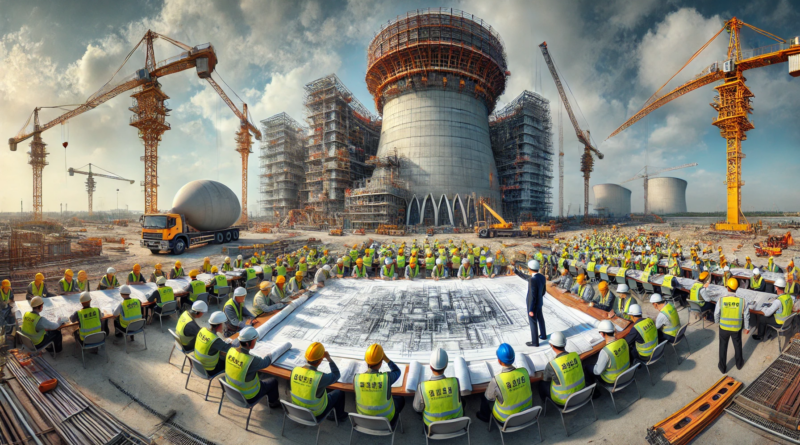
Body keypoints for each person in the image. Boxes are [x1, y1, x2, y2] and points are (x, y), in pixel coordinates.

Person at [290, 342, 348, 423]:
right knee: (339, 392)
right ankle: (339, 416)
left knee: (321, 389)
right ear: (321, 360)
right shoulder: (320, 378)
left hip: (296, 409)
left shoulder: (295, 371)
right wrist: (329, 358)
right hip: (315, 413)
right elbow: (336, 374)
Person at [224, 327, 281, 408]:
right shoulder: (251, 360)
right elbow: (266, 362)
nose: (256, 342)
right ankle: (273, 403)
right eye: (255, 340)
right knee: (273, 381)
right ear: (247, 344)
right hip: (249, 396)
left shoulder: (231, 350)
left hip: (231, 390)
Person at [476, 343, 532, 424]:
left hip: (506, 419)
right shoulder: (524, 372)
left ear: (499, 360)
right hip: (527, 412)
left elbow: (489, 397)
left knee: (484, 397)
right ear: (513, 358)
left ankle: (485, 416)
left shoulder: (497, 380)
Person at [413, 348, 463, 431]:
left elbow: (417, 408)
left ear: (430, 367)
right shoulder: (455, 382)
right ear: (446, 365)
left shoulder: (422, 386)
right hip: (456, 423)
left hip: (432, 427)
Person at [354, 344, 404, 427]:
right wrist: (387, 359)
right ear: (381, 363)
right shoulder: (386, 378)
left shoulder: (357, 378)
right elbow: (397, 371)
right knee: (400, 399)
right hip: (386, 421)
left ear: (366, 361)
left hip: (363, 419)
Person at [539, 331, 585, 407]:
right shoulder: (575, 356)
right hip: (582, 392)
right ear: (565, 343)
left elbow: (546, 379)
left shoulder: (552, 364)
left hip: (563, 400)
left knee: (542, 384)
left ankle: (545, 405)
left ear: (551, 345)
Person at [715, 278, 750, 373]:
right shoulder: (742, 301)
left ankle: (722, 368)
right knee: (737, 345)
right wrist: (746, 327)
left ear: (727, 288)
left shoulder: (721, 300)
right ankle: (739, 364)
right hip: (736, 328)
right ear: (737, 288)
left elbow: (716, 314)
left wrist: (717, 322)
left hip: (723, 328)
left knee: (723, 346)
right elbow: (746, 315)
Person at [516, 260, 547, 347]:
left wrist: (531, 309)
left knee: (533, 322)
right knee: (540, 319)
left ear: (529, 269)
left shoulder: (532, 280)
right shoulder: (541, 277)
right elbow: (544, 291)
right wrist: (517, 272)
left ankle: (535, 342)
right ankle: (543, 335)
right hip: (539, 302)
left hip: (533, 305)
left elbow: (533, 295)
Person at [593, 320, 629, 387]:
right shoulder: (623, 341)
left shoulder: (605, 351)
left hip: (612, 380)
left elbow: (597, 372)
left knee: (589, 369)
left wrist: (595, 366)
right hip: (627, 372)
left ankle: (596, 393)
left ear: (602, 334)